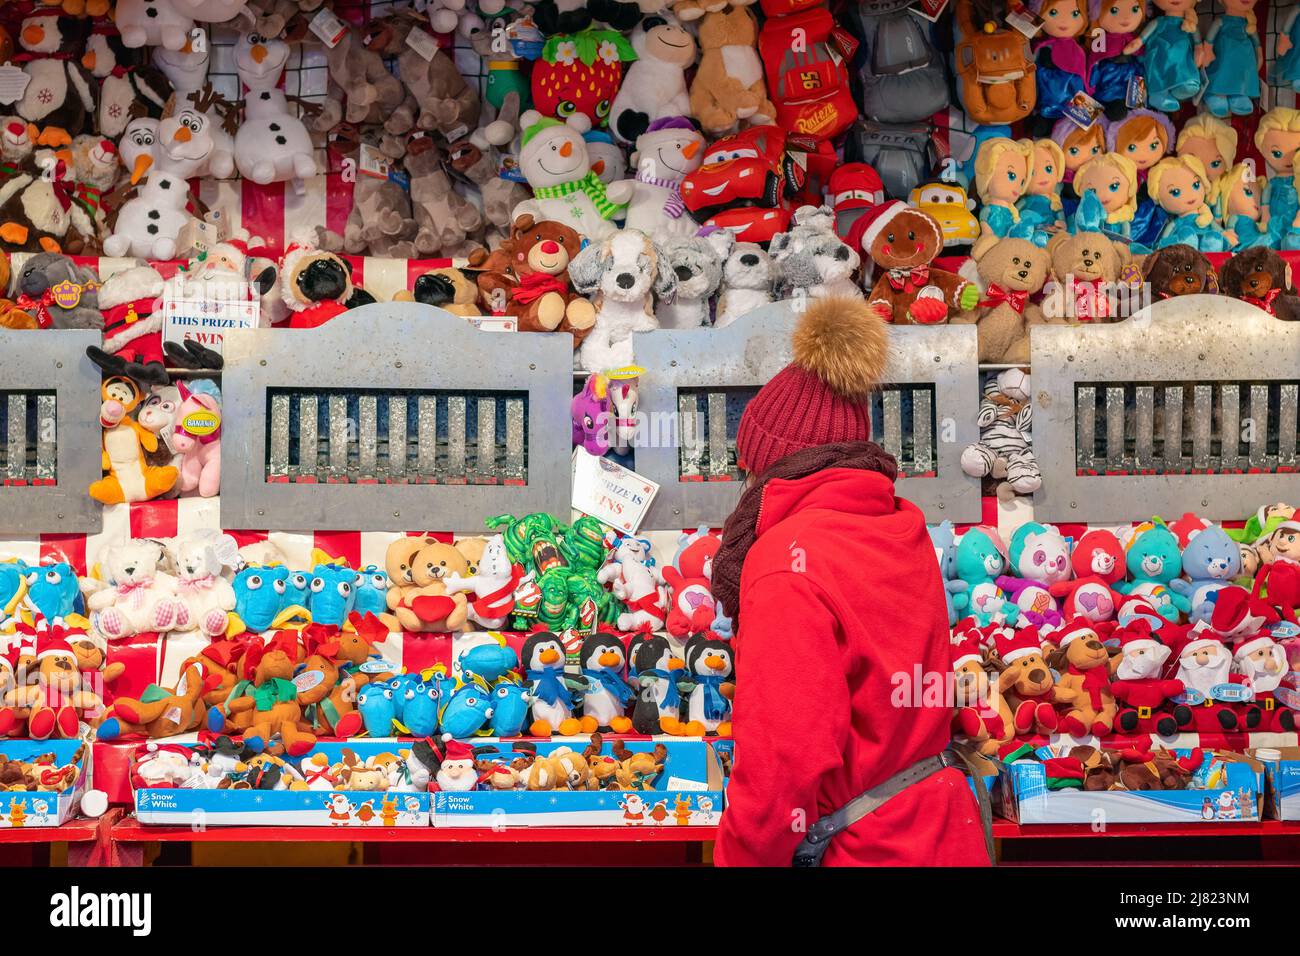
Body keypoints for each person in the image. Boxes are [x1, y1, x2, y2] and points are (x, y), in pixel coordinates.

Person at [711, 296, 990, 867]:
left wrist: (741, 859)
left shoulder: (785, 562)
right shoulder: (900, 526)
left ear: (770, 465)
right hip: (942, 828)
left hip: (866, 851)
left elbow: (784, 761)